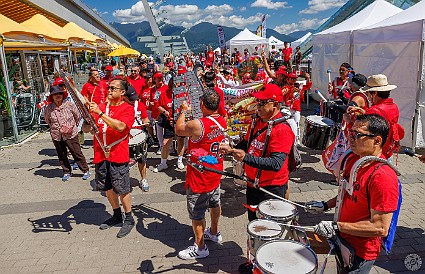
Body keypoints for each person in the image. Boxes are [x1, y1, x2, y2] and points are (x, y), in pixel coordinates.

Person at [306, 114, 400, 274]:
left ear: (377, 141)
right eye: (351, 132)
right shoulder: (354, 159)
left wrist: (336, 226)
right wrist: (325, 205)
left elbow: (380, 227)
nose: (350, 138)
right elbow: (348, 193)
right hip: (342, 239)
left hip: (360, 252)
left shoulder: (383, 177)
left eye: (357, 134)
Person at [219, 84, 295, 273]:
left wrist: (245, 158)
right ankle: (257, 263)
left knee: (270, 231)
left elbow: (276, 163)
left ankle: (270, 266)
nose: (257, 105)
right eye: (257, 101)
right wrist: (233, 147)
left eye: (262, 102)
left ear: (275, 104)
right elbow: (248, 143)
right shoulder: (258, 120)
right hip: (254, 184)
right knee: (255, 227)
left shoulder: (282, 129)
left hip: (271, 188)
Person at [175, 89, 226, 260]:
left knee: (197, 213)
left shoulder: (198, 124)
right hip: (215, 171)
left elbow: (179, 129)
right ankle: (214, 231)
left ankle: (200, 247)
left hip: (200, 176)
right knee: (214, 203)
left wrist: (183, 111)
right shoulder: (222, 120)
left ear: (202, 104)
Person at [89, 78, 136, 238]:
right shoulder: (101, 107)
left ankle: (129, 218)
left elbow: (121, 127)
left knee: (122, 188)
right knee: (107, 188)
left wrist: (100, 114)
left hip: (118, 154)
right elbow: (86, 127)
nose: (109, 90)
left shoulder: (127, 108)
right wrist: (87, 125)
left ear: (122, 92)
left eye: (113, 88)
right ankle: (117, 215)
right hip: (100, 154)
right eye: (109, 88)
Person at [348, 74, 402, 159]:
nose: (367, 96)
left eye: (368, 93)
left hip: (374, 153)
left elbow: (360, 133)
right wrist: (365, 113)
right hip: (388, 150)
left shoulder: (373, 111)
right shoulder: (394, 107)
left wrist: (349, 121)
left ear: (374, 94)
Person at [44, 86, 90, 182]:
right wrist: (55, 127)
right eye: (55, 94)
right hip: (57, 134)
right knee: (62, 154)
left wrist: (71, 126)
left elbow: (77, 116)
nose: (58, 96)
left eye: (60, 93)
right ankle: (66, 171)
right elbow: (47, 120)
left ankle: (85, 170)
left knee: (76, 152)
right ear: (51, 96)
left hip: (71, 133)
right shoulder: (49, 108)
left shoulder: (69, 105)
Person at [124, 86, 150, 191]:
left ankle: (143, 179)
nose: (133, 101)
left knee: (142, 159)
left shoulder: (139, 105)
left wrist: (148, 123)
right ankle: (124, 181)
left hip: (138, 135)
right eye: (130, 99)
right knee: (123, 161)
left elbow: (145, 119)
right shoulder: (120, 106)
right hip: (124, 136)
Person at [153, 78, 176, 172]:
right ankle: (163, 163)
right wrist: (165, 111)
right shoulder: (164, 93)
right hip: (169, 121)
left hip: (181, 121)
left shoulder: (184, 94)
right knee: (165, 143)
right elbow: (158, 105)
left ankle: (180, 160)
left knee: (183, 142)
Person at [150, 72, 168, 155]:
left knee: (167, 130)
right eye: (158, 78)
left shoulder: (166, 88)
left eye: (161, 77)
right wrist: (151, 103)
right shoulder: (152, 89)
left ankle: (169, 146)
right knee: (159, 130)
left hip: (166, 112)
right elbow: (151, 100)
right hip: (156, 112)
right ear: (154, 79)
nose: (160, 79)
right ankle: (161, 146)